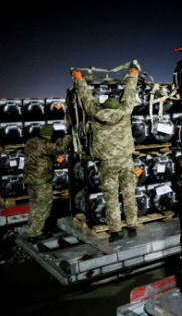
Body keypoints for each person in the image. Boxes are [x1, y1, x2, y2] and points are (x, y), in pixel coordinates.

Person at [72, 66, 140, 242]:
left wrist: (79, 79)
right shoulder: (124, 112)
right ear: (117, 106)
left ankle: (116, 231)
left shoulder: (95, 114)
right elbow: (130, 93)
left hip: (108, 163)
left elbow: (86, 97)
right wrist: (133, 75)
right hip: (126, 161)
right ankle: (132, 227)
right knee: (129, 194)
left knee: (111, 198)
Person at [24, 124, 72, 243]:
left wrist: (58, 141)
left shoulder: (31, 142)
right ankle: (35, 233)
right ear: (49, 135)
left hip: (30, 180)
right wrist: (67, 137)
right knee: (44, 206)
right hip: (41, 181)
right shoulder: (44, 145)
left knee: (34, 204)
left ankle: (32, 227)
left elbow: (51, 152)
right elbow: (59, 149)